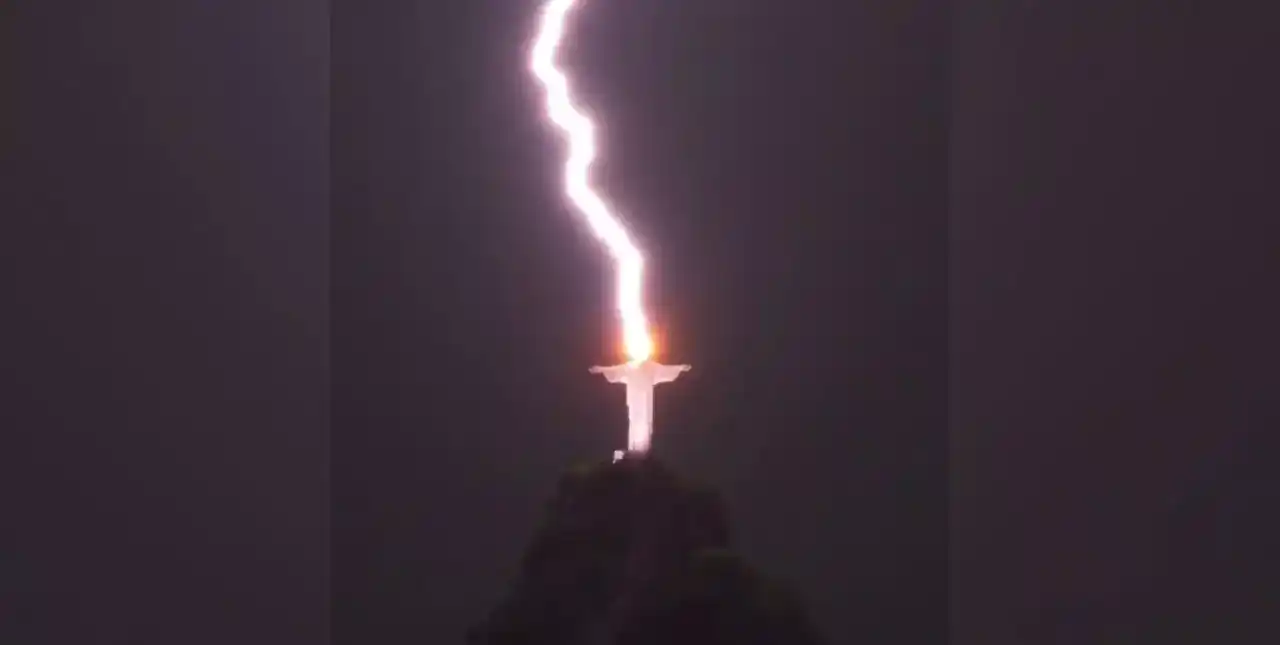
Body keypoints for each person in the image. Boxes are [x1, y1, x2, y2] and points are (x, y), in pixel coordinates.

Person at [589, 360, 691, 453]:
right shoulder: (629, 367)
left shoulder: (650, 367)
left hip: (646, 401)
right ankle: (634, 450)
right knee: (634, 424)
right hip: (634, 402)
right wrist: (601, 369)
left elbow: (665, 370)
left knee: (645, 425)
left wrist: (680, 367)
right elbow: (615, 370)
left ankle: (643, 450)